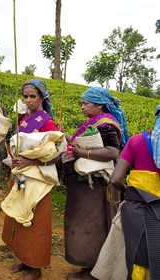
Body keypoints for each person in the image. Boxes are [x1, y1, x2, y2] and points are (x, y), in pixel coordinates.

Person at [61, 86, 129, 280]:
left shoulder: (107, 125)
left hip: (97, 186)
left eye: (86, 103)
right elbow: (78, 144)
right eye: (81, 103)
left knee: (93, 225)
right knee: (85, 224)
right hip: (86, 185)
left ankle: (92, 272)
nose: (82, 107)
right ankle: (86, 268)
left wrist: (81, 153)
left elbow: (112, 151)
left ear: (99, 105)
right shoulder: (94, 123)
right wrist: (64, 135)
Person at [2, 79, 58, 280]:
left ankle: (36, 266)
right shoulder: (25, 119)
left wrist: (32, 163)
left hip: (37, 179)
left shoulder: (47, 122)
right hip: (20, 175)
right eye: (26, 96)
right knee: (19, 216)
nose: (28, 100)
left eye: (32, 96)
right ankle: (23, 258)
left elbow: (55, 153)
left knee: (35, 221)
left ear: (42, 97)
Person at [109, 105, 160, 280]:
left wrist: (127, 193)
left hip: (135, 209)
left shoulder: (137, 141)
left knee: (136, 253)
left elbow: (115, 179)